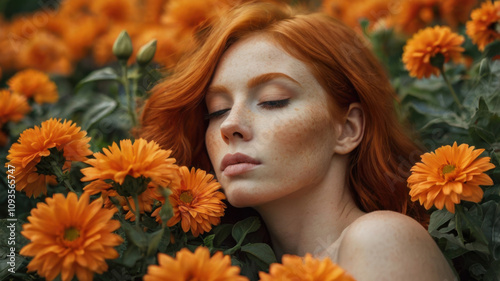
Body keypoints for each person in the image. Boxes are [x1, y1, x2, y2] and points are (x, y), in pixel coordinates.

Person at [140, 2, 456, 280]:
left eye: (272, 100)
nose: (230, 125)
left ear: (347, 129)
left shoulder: (381, 238)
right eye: (217, 110)